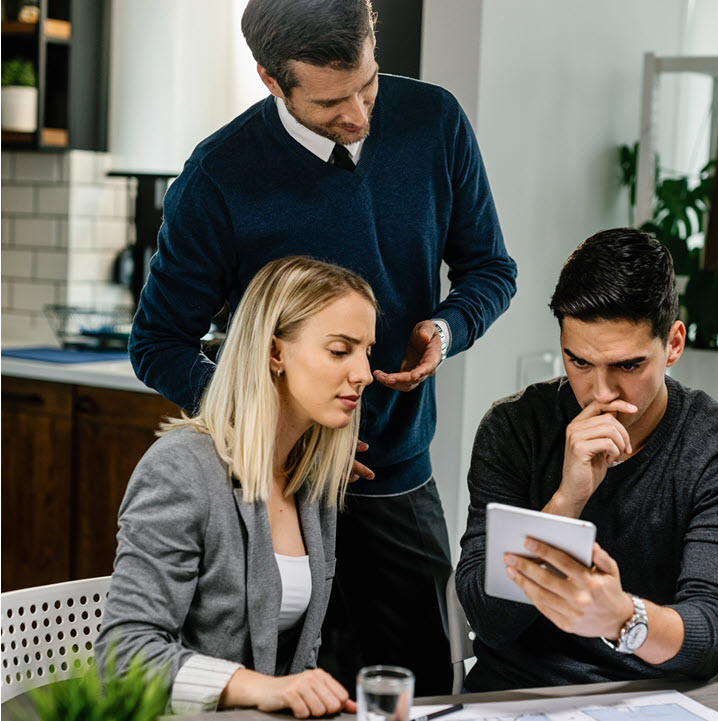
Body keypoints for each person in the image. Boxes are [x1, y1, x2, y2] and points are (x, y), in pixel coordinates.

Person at [128, 0, 516, 694]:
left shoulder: (434, 120)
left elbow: (490, 268)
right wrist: (271, 425)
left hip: (396, 476)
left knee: (426, 689)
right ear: (271, 81)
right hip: (280, 492)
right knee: (290, 688)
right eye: (332, 100)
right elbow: (159, 342)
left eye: (367, 84)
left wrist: (446, 326)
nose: (361, 114)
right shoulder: (219, 176)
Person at [456, 228, 718, 691]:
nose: (600, 392)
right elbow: (488, 618)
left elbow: (712, 633)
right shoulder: (515, 428)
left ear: (674, 345)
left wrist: (623, 617)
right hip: (516, 692)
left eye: (627, 366)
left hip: (650, 698)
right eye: (579, 362)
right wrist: (567, 501)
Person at [97, 256, 377, 716]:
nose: (364, 373)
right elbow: (124, 658)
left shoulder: (311, 478)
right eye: (340, 350)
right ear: (274, 353)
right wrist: (261, 689)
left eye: (367, 351)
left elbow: (298, 658)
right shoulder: (181, 470)